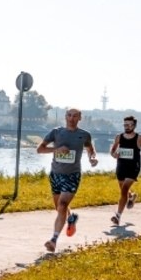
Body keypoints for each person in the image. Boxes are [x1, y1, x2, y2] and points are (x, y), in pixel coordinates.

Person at [36, 108, 99, 252]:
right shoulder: (56, 132)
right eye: (69, 115)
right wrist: (56, 150)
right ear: (65, 117)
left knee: (63, 205)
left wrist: (93, 158)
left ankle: (53, 240)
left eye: (75, 116)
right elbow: (40, 149)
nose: (71, 118)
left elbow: (90, 149)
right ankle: (71, 218)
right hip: (56, 174)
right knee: (59, 208)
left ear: (80, 118)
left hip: (72, 175)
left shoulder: (84, 135)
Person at [109, 115, 141, 225]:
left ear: (134, 125)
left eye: (129, 125)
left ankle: (117, 216)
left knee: (124, 190)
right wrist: (114, 154)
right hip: (121, 166)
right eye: (125, 125)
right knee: (123, 190)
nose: (127, 127)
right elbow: (113, 150)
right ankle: (132, 196)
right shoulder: (119, 137)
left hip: (133, 167)